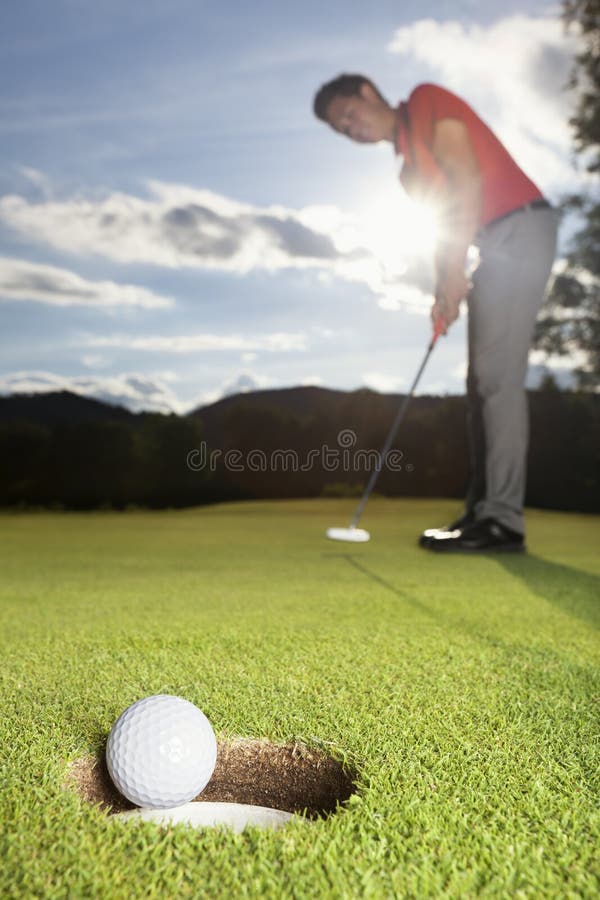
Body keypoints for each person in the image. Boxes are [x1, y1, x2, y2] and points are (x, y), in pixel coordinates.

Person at [313, 75, 559, 553]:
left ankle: (503, 522)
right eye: (340, 130)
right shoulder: (407, 173)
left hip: (521, 228)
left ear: (367, 91)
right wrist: (442, 289)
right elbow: (442, 225)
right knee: (479, 385)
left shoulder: (426, 100)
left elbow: (466, 176)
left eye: (347, 115)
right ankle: (481, 511)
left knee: (496, 380)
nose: (351, 130)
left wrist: (453, 273)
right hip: (490, 244)